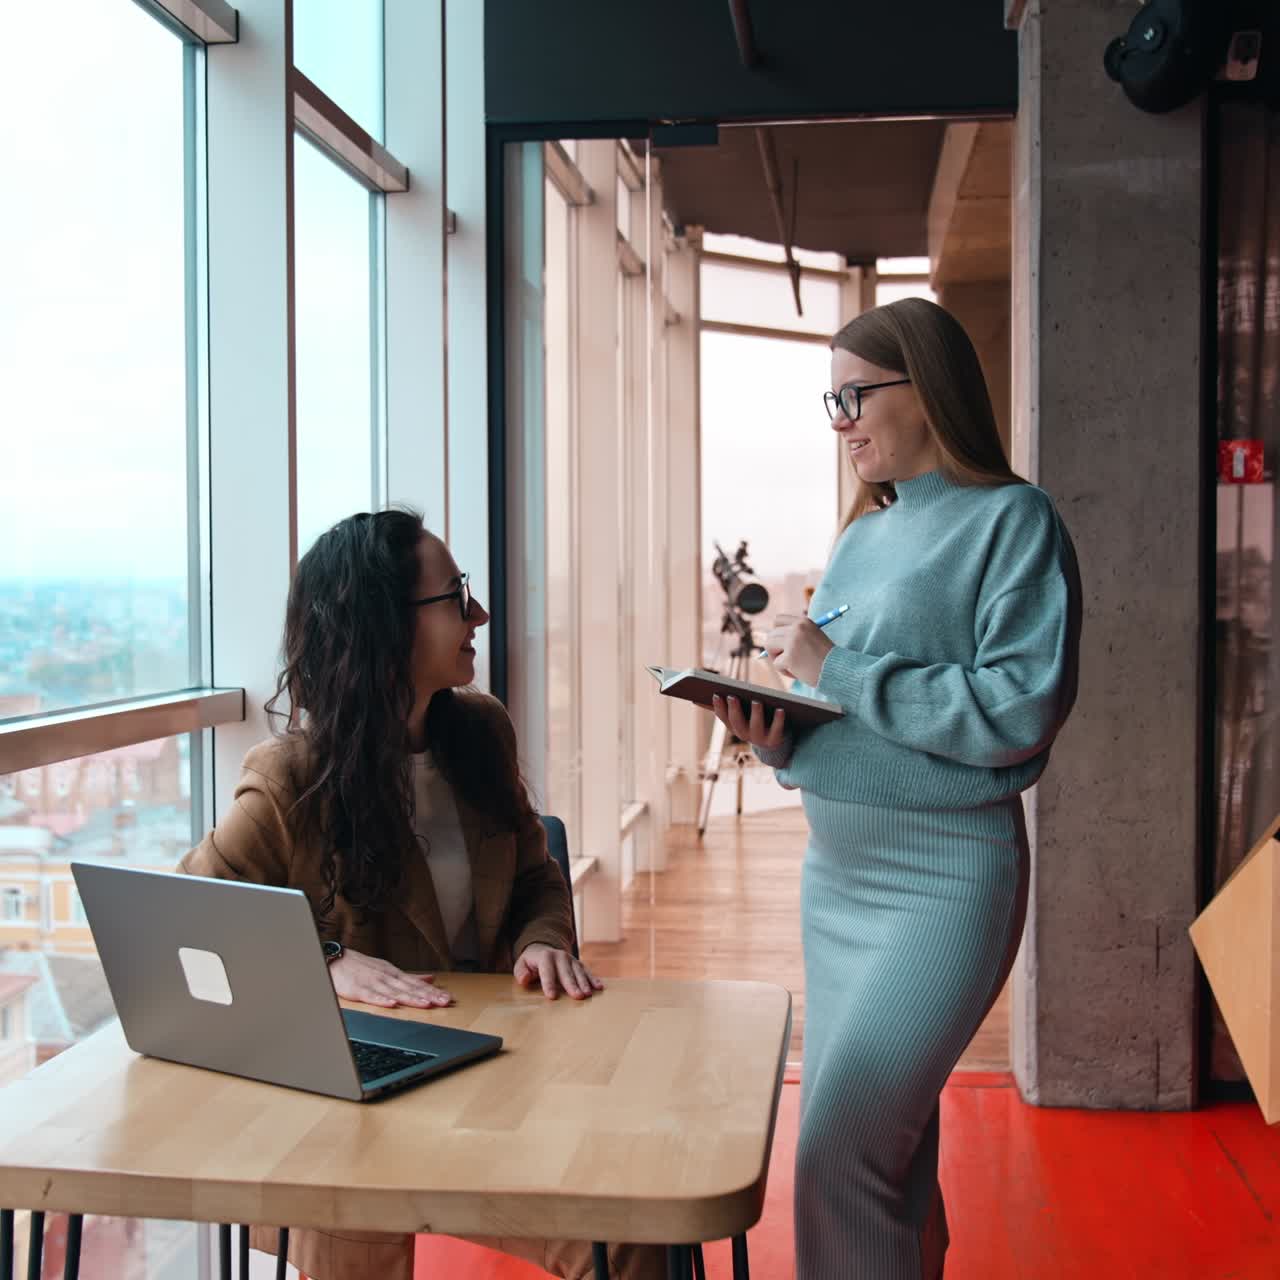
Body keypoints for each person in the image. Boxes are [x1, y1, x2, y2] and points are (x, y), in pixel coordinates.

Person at [180, 509, 665, 1280]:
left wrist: (543, 937)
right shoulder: (291, 782)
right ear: (383, 627)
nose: (476, 613)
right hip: (362, 1103)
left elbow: (539, 873)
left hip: (503, 1075)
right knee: (349, 1236)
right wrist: (324, 958)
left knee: (633, 1236)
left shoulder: (480, 729)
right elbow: (189, 916)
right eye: (454, 595)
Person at [711, 298, 1082, 1279]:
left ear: (927, 388)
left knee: (839, 1149)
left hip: (943, 882)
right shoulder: (861, 535)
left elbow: (1017, 709)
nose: (837, 418)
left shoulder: (1013, 521)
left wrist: (835, 669)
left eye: (853, 394)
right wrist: (781, 740)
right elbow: (855, 718)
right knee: (891, 1149)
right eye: (826, 399)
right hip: (836, 878)